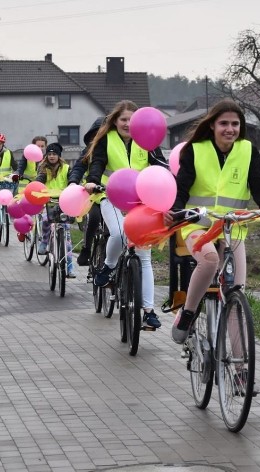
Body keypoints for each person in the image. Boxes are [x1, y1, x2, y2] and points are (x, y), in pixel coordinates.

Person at [164, 98, 260, 345]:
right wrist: (174, 210)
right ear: (212, 125)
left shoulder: (247, 151)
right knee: (209, 261)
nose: (230, 129)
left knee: (236, 293)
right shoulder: (195, 150)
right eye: (224, 123)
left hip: (232, 227)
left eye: (235, 124)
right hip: (198, 224)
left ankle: (241, 369)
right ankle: (188, 313)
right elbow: (181, 188)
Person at [83, 100, 168, 330]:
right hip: (110, 195)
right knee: (120, 233)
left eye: (132, 120)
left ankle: (149, 312)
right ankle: (109, 266)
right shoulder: (105, 139)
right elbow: (97, 164)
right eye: (123, 120)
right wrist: (92, 180)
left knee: (144, 256)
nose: (128, 124)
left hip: (141, 201)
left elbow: (160, 164)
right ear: (115, 121)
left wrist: (169, 179)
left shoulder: (146, 140)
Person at [35, 143, 76, 278]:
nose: (52, 156)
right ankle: (45, 241)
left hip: (65, 201)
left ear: (59, 156)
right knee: (47, 219)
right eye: (50, 154)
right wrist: (36, 186)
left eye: (54, 154)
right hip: (49, 201)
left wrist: (73, 185)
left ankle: (69, 268)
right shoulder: (43, 168)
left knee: (67, 237)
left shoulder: (66, 168)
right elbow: (40, 180)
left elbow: (72, 180)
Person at [69, 117, 104, 267]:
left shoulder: (116, 147)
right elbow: (78, 167)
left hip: (114, 194)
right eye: (96, 134)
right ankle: (87, 249)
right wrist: (73, 181)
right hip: (93, 194)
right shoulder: (88, 150)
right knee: (94, 218)